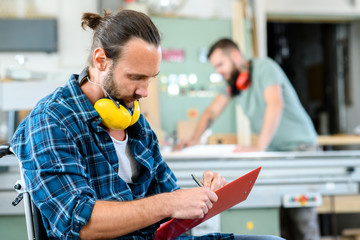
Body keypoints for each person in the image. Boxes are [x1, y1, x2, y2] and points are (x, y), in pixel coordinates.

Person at [10, 10, 284, 240]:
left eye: (151, 78)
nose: (145, 92)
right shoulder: (51, 121)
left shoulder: (134, 120)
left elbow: (168, 206)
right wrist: (171, 203)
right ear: (101, 60)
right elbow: (78, 223)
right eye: (135, 77)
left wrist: (203, 197)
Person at [174, 38, 320, 240]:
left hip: (301, 148)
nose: (219, 71)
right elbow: (212, 112)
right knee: (281, 219)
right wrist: (194, 140)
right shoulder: (233, 83)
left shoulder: (265, 67)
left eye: (220, 65)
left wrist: (259, 147)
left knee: (302, 217)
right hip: (274, 152)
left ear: (235, 56)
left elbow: (275, 105)